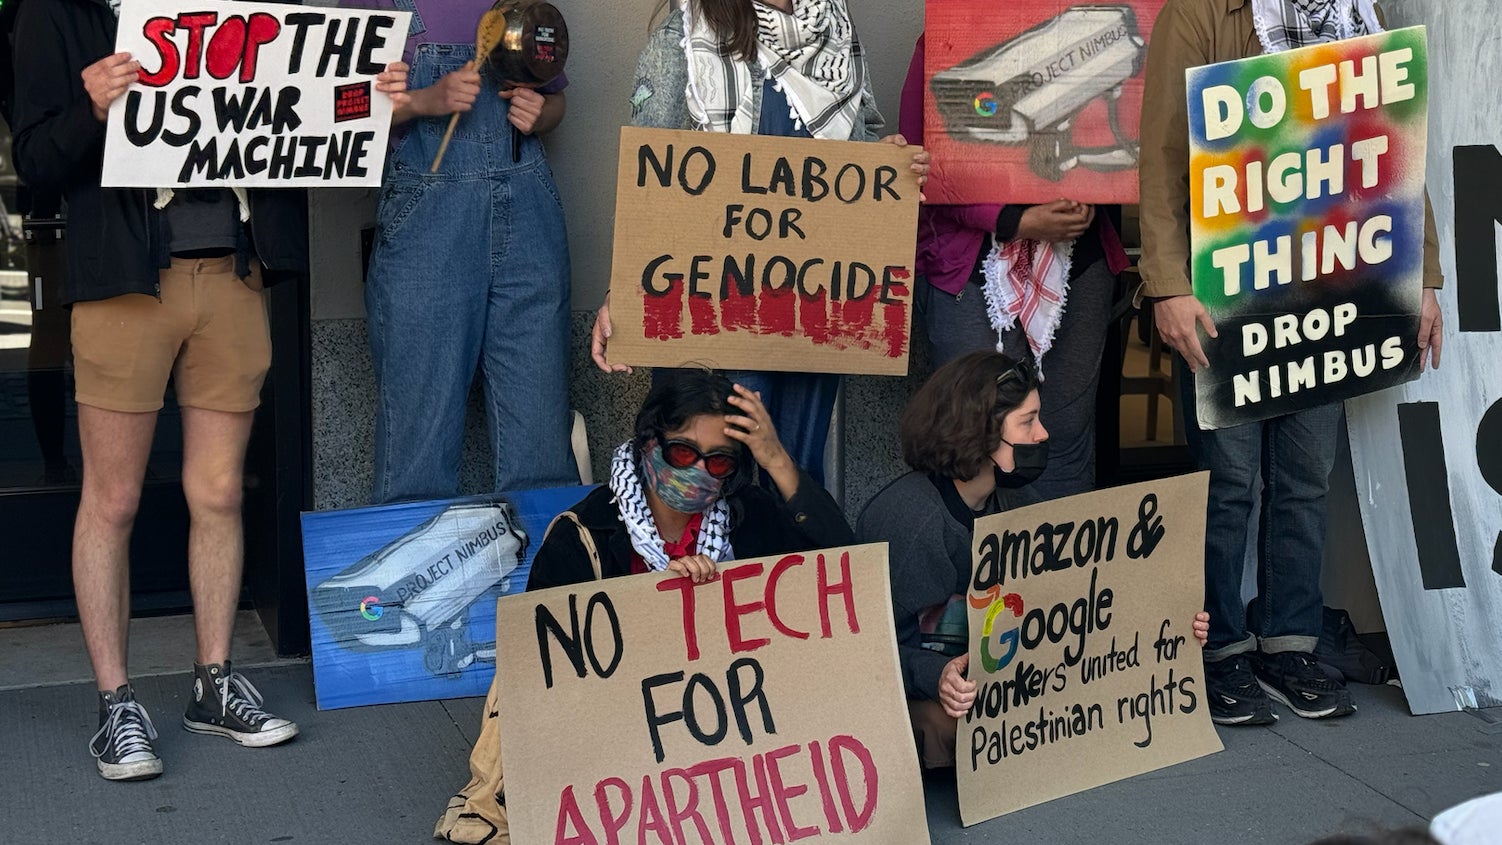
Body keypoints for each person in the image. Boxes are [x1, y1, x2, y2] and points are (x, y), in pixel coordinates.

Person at [11, 0, 403, 781]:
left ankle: (213, 681)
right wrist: (90, 107)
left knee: (220, 491)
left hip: (231, 269)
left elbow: (307, 109)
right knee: (113, 497)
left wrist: (367, 99)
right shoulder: (58, 12)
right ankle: (116, 700)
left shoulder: (242, 8)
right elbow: (34, 161)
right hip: (123, 282)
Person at [1137, 0, 1445, 725]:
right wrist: (1168, 285)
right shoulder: (1200, 13)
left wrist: (1423, 277)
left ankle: (1289, 642)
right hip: (1225, 281)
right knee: (1230, 479)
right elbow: (1159, 156)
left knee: (1307, 474)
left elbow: (1397, 142)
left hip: (1337, 280)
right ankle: (1219, 653)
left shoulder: (1356, 12)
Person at [434, 368, 854, 843]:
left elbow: (842, 571)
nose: (698, 470)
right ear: (649, 443)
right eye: (682, 452)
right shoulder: (585, 533)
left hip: (730, 736)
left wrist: (776, 459)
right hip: (618, 745)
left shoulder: (748, 515)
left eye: (719, 463)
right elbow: (542, 664)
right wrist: (651, 607)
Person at [588, 0, 931, 483]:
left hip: (810, 308)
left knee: (793, 476)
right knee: (720, 480)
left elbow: (861, 147)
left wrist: (888, 161)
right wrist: (620, 294)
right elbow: (651, 179)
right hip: (713, 311)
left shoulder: (835, 24)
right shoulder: (684, 31)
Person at [857, 351, 1209, 768]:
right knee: (962, 733)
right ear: (980, 433)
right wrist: (936, 677)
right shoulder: (910, 522)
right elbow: (869, 649)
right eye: (1028, 422)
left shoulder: (1013, 500)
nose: (1042, 434)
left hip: (993, 676)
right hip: (917, 690)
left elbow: (1079, 596)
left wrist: (1166, 623)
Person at [348, 0, 580, 504]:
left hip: (530, 218)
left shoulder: (516, 3)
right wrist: (424, 100)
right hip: (426, 222)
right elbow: (340, 112)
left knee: (540, 436)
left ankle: (547, 576)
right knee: (418, 447)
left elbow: (556, 100)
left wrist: (542, 113)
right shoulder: (373, 4)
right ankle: (414, 582)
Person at [900, 34, 1132, 501]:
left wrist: (1097, 190)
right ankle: (975, 570)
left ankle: (1056, 569)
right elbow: (918, 163)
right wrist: (1016, 219)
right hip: (973, 267)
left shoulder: (1096, 29)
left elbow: (1137, 136)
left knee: (1062, 434)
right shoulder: (949, 33)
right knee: (973, 435)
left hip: (1077, 263)